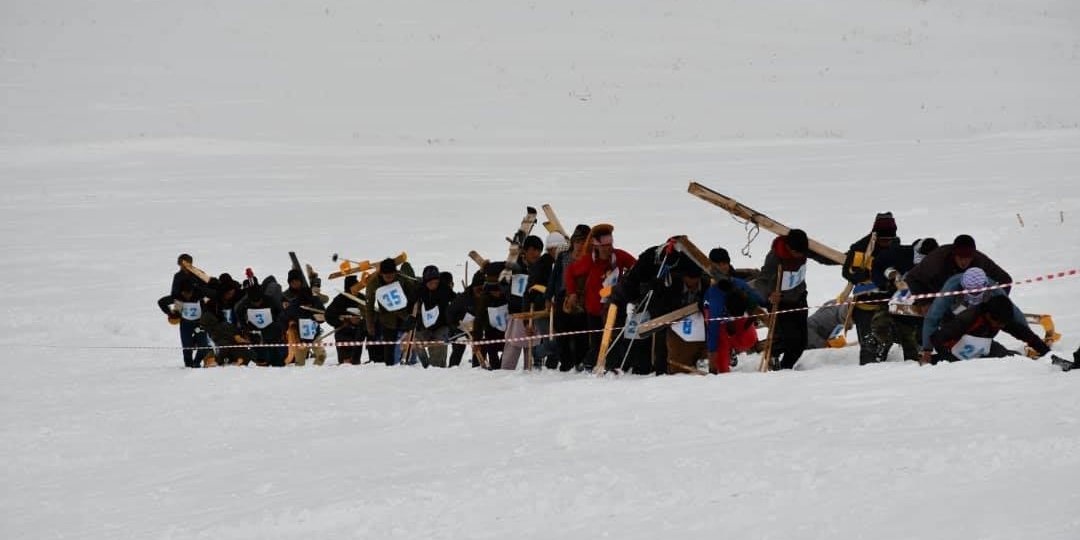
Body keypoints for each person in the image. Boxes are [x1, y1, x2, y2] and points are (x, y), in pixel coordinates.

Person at [753, 229, 833, 370]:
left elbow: (823, 257)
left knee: (802, 342)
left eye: (803, 253)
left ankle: (785, 367)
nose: (801, 256)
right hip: (781, 303)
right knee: (790, 339)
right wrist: (770, 294)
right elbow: (761, 281)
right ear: (789, 248)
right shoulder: (775, 257)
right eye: (797, 253)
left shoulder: (802, 248)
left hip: (799, 298)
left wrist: (843, 260)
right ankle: (779, 362)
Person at [564, 224, 637, 370]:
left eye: (609, 245)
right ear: (596, 246)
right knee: (597, 342)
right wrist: (572, 293)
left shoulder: (619, 256)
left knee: (616, 338)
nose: (607, 249)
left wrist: (629, 281)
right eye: (603, 246)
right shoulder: (589, 260)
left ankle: (613, 367)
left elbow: (637, 267)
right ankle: (589, 365)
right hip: (594, 308)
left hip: (616, 305)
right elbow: (570, 272)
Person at [920, 267, 1024, 365]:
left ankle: (1010, 356)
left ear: (985, 286)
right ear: (963, 287)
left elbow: (1014, 313)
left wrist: (1029, 338)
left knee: (995, 352)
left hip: (977, 330)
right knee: (958, 356)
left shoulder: (995, 291)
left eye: (978, 291)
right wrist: (927, 350)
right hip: (952, 326)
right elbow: (932, 318)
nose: (974, 295)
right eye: (970, 291)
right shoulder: (951, 289)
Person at [841, 213, 899, 365]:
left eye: (890, 239)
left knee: (886, 339)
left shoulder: (895, 245)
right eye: (883, 240)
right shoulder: (860, 248)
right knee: (868, 344)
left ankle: (880, 365)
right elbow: (847, 272)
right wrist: (863, 274)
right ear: (876, 235)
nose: (886, 243)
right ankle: (867, 373)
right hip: (864, 304)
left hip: (886, 302)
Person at [869, 237, 938, 362]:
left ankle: (912, 365)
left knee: (911, 341)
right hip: (893, 302)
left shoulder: (937, 266)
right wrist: (887, 280)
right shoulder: (900, 254)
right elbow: (879, 266)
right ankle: (877, 356)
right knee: (880, 326)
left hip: (918, 310)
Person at [930, 295, 1050, 362]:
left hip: (982, 346)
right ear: (988, 315)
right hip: (955, 351)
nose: (1001, 327)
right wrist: (945, 358)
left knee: (1010, 358)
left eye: (1003, 324)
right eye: (998, 324)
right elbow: (937, 338)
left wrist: (1046, 352)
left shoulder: (1000, 317)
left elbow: (1024, 334)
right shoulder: (968, 318)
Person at [905, 234, 1012, 308]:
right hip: (936, 297)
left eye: (968, 258)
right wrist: (924, 303)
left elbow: (1006, 280)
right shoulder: (937, 260)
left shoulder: (980, 261)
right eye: (960, 258)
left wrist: (996, 303)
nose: (964, 262)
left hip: (966, 302)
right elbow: (912, 278)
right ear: (954, 254)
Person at [501, 236, 548, 370]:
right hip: (517, 313)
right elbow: (503, 286)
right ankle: (504, 376)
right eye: (532, 250)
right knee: (512, 350)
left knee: (532, 351)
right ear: (525, 251)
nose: (536, 253)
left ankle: (531, 379)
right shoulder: (514, 267)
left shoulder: (541, 268)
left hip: (534, 313)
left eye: (538, 250)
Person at [549, 224, 591, 371]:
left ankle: (580, 361)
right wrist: (549, 297)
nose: (580, 245)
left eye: (584, 241)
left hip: (583, 299)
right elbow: (554, 278)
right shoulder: (563, 256)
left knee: (581, 333)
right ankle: (565, 363)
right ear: (573, 241)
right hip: (563, 298)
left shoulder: (590, 258)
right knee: (562, 333)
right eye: (578, 241)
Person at [365, 258, 417, 365]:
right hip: (387, 319)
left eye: (392, 276)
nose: (389, 279)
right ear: (381, 274)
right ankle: (389, 369)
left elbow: (413, 296)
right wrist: (370, 324)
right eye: (386, 276)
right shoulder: (373, 283)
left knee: (409, 344)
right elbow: (369, 305)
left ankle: (411, 365)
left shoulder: (402, 279)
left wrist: (413, 316)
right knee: (389, 347)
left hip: (405, 316)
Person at [414, 265, 455, 368]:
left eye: (436, 283)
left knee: (438, 348)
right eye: (430, 283)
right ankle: (426, 365)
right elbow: (411, 305)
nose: (433, 285)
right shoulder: (420, 290)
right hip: (424, 326)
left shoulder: (445, 289)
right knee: (415, 341)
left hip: (441, 326)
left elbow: (456, 302)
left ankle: (438, 368)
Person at [325, 274, 368, 365]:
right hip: (343, 334)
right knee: (346, 364)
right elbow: (328, 315)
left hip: (358, 335)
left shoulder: (362, 298)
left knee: (355, 363)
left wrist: (361, 321)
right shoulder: (340, 299)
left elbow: (368, 315)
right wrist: (345, 321)